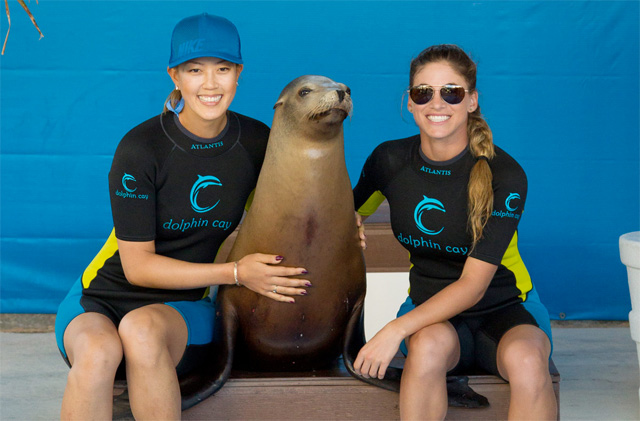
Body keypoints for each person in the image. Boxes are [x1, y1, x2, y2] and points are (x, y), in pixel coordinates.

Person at [54, 13, 311, 420]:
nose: (210, 84)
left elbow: (298, 204)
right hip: (100, 299)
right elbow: (137, 268)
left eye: (222, 69)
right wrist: (237, 273)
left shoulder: (258, 142)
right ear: (175, 76)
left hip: (182, 307)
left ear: (238, 73)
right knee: (99, 352)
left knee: (141, 332)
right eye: (195, 70)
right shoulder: (141, 149)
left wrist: (350, 223)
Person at [352, 44, 556, 420]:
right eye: (423, 92)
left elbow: (473, 286)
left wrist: (393, 330)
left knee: (528, 361)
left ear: (472, 100)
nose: (437, 103)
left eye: (451, 92)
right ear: (410, 103)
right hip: (431, 315)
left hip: (507, 309)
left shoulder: (505, 176)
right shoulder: (389, 160)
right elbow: (348, 211)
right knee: (427, 348)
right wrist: (350, 225)